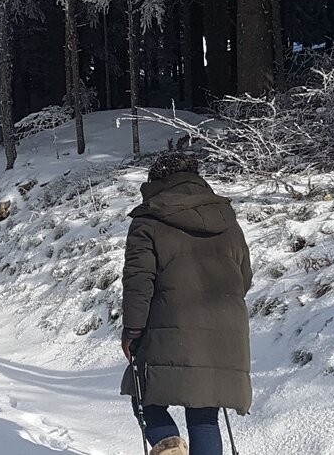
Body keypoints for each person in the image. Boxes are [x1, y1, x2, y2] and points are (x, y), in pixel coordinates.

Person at [120, 153, 253, 455]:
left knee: (144, 398)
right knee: (204, 413)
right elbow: (243, 279)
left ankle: (170, 447)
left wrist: (132, 331)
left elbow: (139, 282)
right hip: (224, 331)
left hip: (168, 327)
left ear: (156, 182)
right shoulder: (227, 220)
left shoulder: (149, 220)